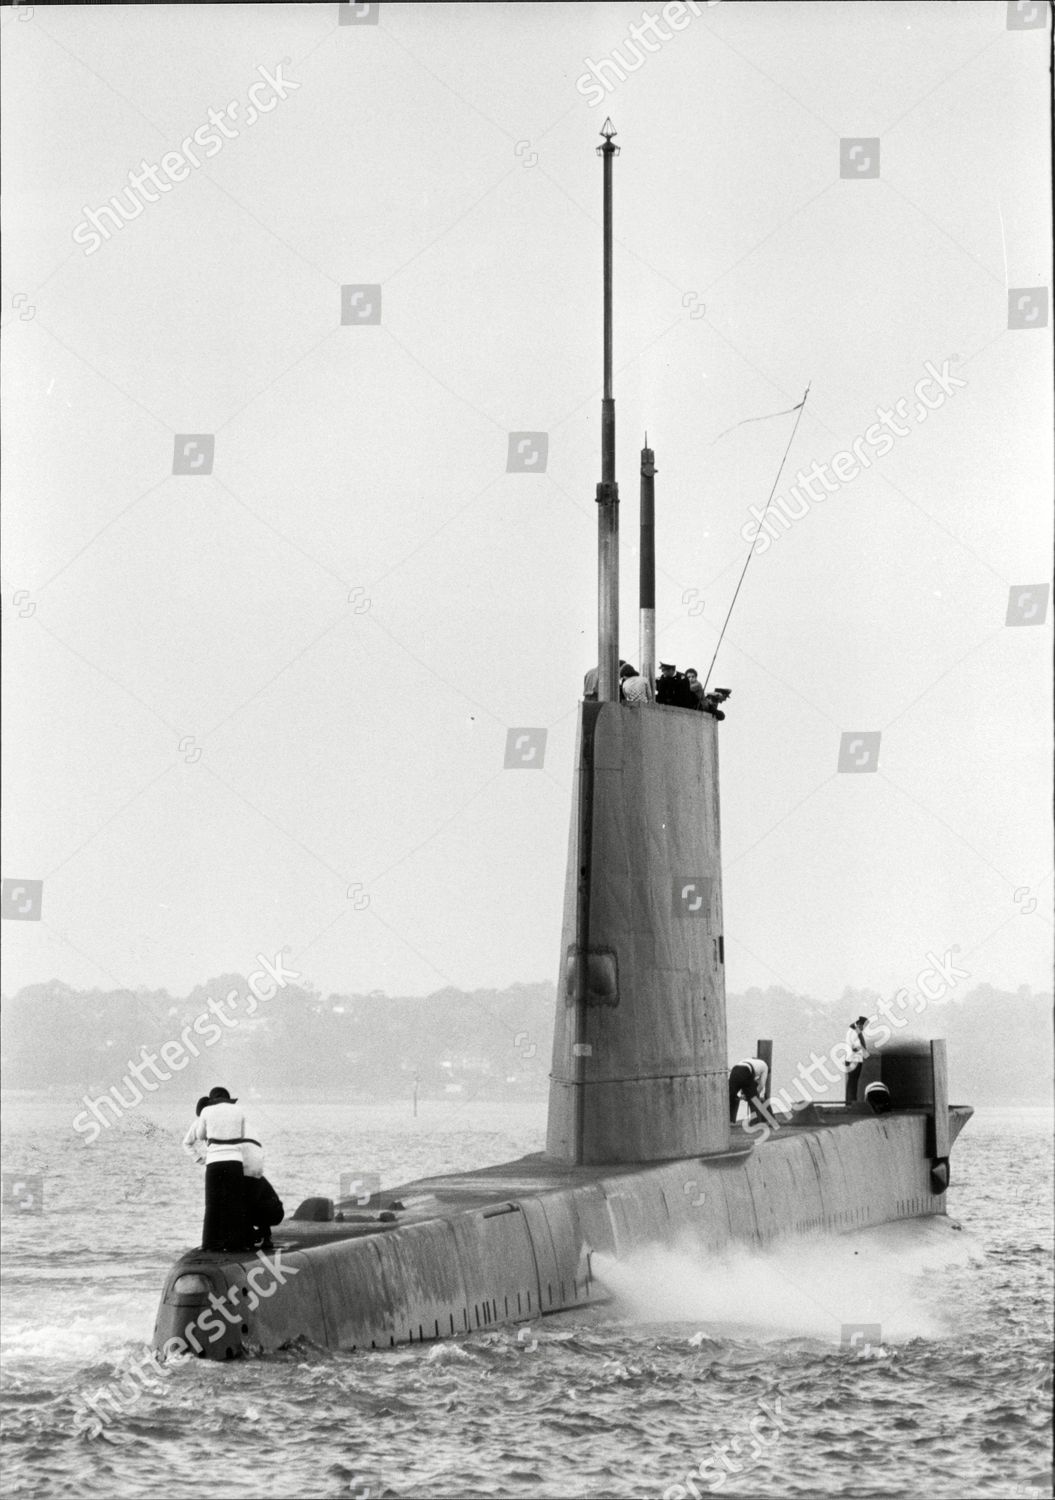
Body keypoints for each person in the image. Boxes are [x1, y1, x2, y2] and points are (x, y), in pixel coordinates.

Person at [189, 1085, 255, 1253]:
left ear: (212, 1100)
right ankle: (236, 1243)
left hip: (214, 1162)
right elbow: (242, 1135)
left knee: (213, 1204)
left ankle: (211, 1244)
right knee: (235, 1203)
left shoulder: (206, 1112)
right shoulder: (238, 1110)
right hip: (234, 1160)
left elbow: (200, 1136)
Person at [729, 1056, 769, 1124]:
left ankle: (730, 1120)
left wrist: (743, 1094)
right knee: (754, 1099)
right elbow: (761, 1085)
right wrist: (754, 1095)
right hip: (746, 1070)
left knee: (731, 1096)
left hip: (734, 1070)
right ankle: (755, 1121)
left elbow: (742, 1083)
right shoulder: (765, 1066)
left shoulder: (748, 1060)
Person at [844, 1017, 871, 1103]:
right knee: (852, 1081)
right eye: (863, 1026)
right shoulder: (853, 1032)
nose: (863, 1028)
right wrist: (863, 1050)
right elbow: (854, 1047)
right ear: (859, 1024)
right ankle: (851, 1102)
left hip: (855, 1059)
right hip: (853, 1059)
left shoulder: (855, 1031)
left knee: (853, 1082)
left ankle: (851, 1101)